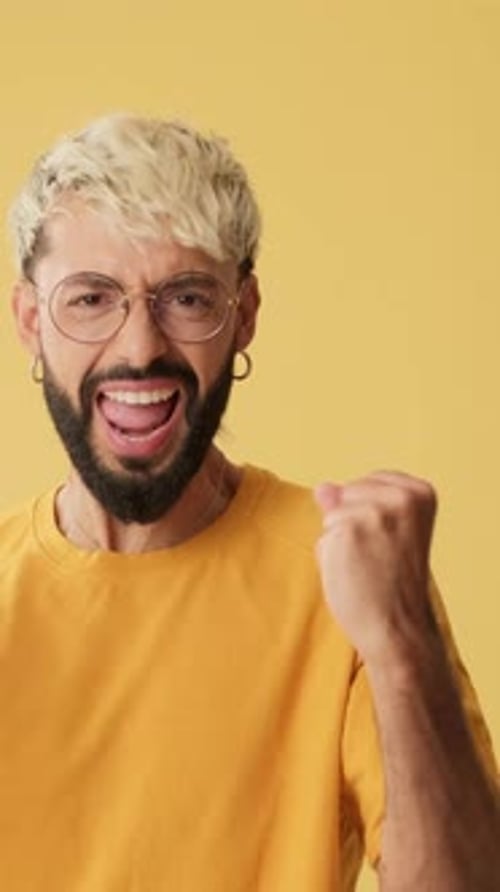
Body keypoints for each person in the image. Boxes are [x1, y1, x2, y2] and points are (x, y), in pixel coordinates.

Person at [1, 113, 498, 891]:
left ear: (245, 316)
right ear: (31, 322)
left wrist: (405, 649)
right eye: (91, 299)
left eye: (187, 298)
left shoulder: (344, 575)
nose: (139, 348)